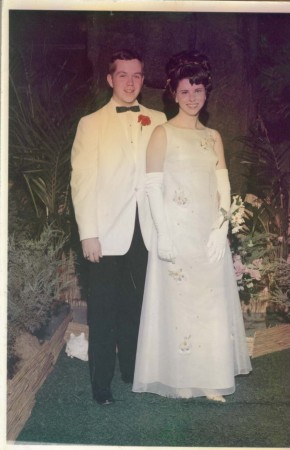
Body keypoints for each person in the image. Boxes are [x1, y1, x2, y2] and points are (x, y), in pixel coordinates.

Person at [132, 50, 252, 401]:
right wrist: (164, 235)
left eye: (198, 90)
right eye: (185, 91)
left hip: (206, 235)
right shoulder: (162, 133)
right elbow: (153, 187)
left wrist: (220, 229)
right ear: (173, 93)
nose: (192, 98)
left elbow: (224, 187)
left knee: (209, 307)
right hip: (175, 233)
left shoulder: (213, 136)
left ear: (206, 91)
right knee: (179, 307)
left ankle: (210, 379)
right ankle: (180, 378)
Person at [70, 49, 166, 405]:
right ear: (110, 79)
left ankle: (131, 370)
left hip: (147, 232)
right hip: (106, 234)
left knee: (136, 306)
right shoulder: (90, 123)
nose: (130, 82)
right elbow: (82, 183)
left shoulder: (159, 120)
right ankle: (101, 384)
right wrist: (88, 233)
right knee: (104, 310)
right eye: (122, 75)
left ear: (143, 79)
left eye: (137, 75)